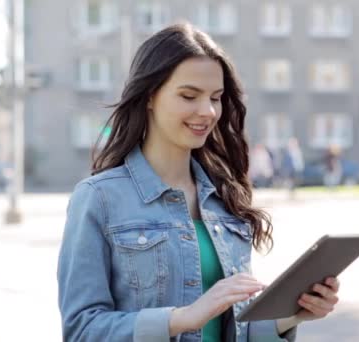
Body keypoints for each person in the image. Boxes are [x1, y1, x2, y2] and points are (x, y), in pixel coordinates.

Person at [57, 23, 341, 342]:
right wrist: (182, 319)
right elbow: (82, 330)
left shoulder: (225, 199)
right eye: (189, 95)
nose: (207, 111)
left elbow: (236, 331)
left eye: (216, 98)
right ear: (150, 96)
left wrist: (289, 316)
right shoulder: (99, 199)